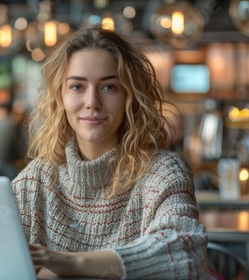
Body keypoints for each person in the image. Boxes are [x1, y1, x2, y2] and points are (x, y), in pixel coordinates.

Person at [12, 25, 209, 279]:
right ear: (59, 97)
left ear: (130, 96)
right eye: (77, 87)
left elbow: (185, 251)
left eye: (109, 87)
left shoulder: (163, 171)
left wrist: (68, 264)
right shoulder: (36, 179)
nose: (92, 101)